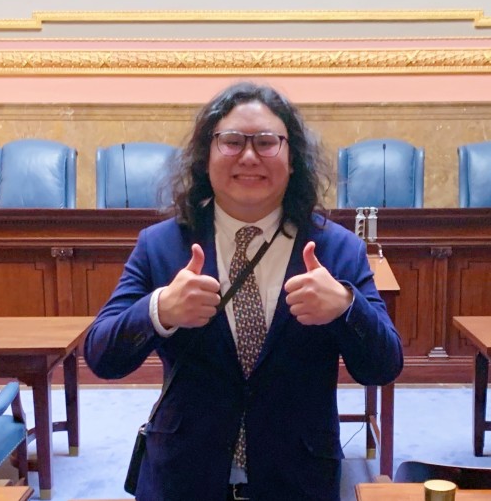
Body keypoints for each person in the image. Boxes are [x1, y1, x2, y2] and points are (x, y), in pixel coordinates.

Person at [84, 82, 403, 501]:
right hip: (183, 476)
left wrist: (346, 307)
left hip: (298, 479)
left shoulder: (338, 250)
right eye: (232, 141)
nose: (249, 156)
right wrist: (159, 310)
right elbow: (101, 356)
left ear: (292, 160)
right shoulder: (160, 245)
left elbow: (384, 365)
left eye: (267, 142)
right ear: (206, 157)